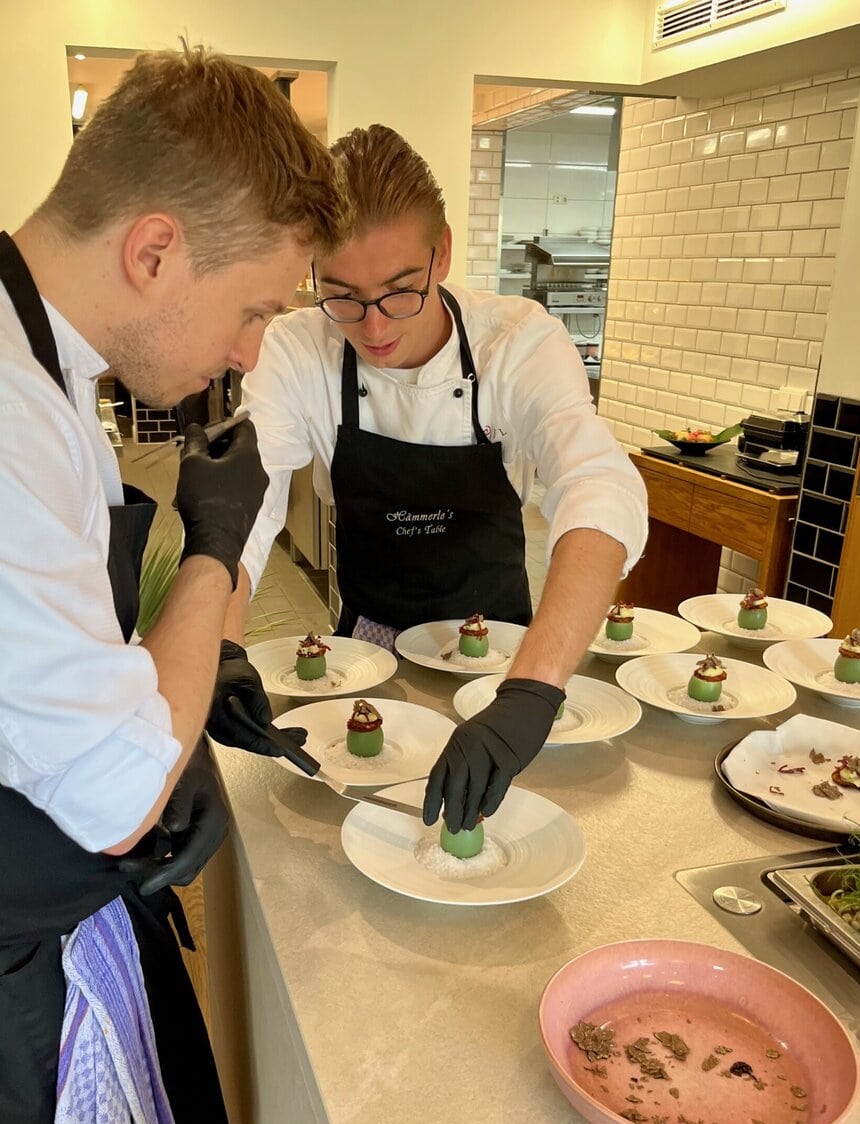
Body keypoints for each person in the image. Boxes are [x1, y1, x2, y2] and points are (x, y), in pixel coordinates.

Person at [0, 49, 348, 1124]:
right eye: (252, 310)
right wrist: (213, 552)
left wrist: (188, 675)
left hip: (11, 888)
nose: (249, 351)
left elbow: (62, 661)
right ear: (154, 250)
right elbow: (115, 789)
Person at [226, 125, 648, 834]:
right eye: (342, 295)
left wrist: (532, 692)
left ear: (441, 253)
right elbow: (247, 500)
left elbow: (598, 485)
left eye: (399, 291)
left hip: (507, 656)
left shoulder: (517, 342)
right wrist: (218, 646)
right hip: (368, 654)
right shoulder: (297, 351)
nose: (373, 326)